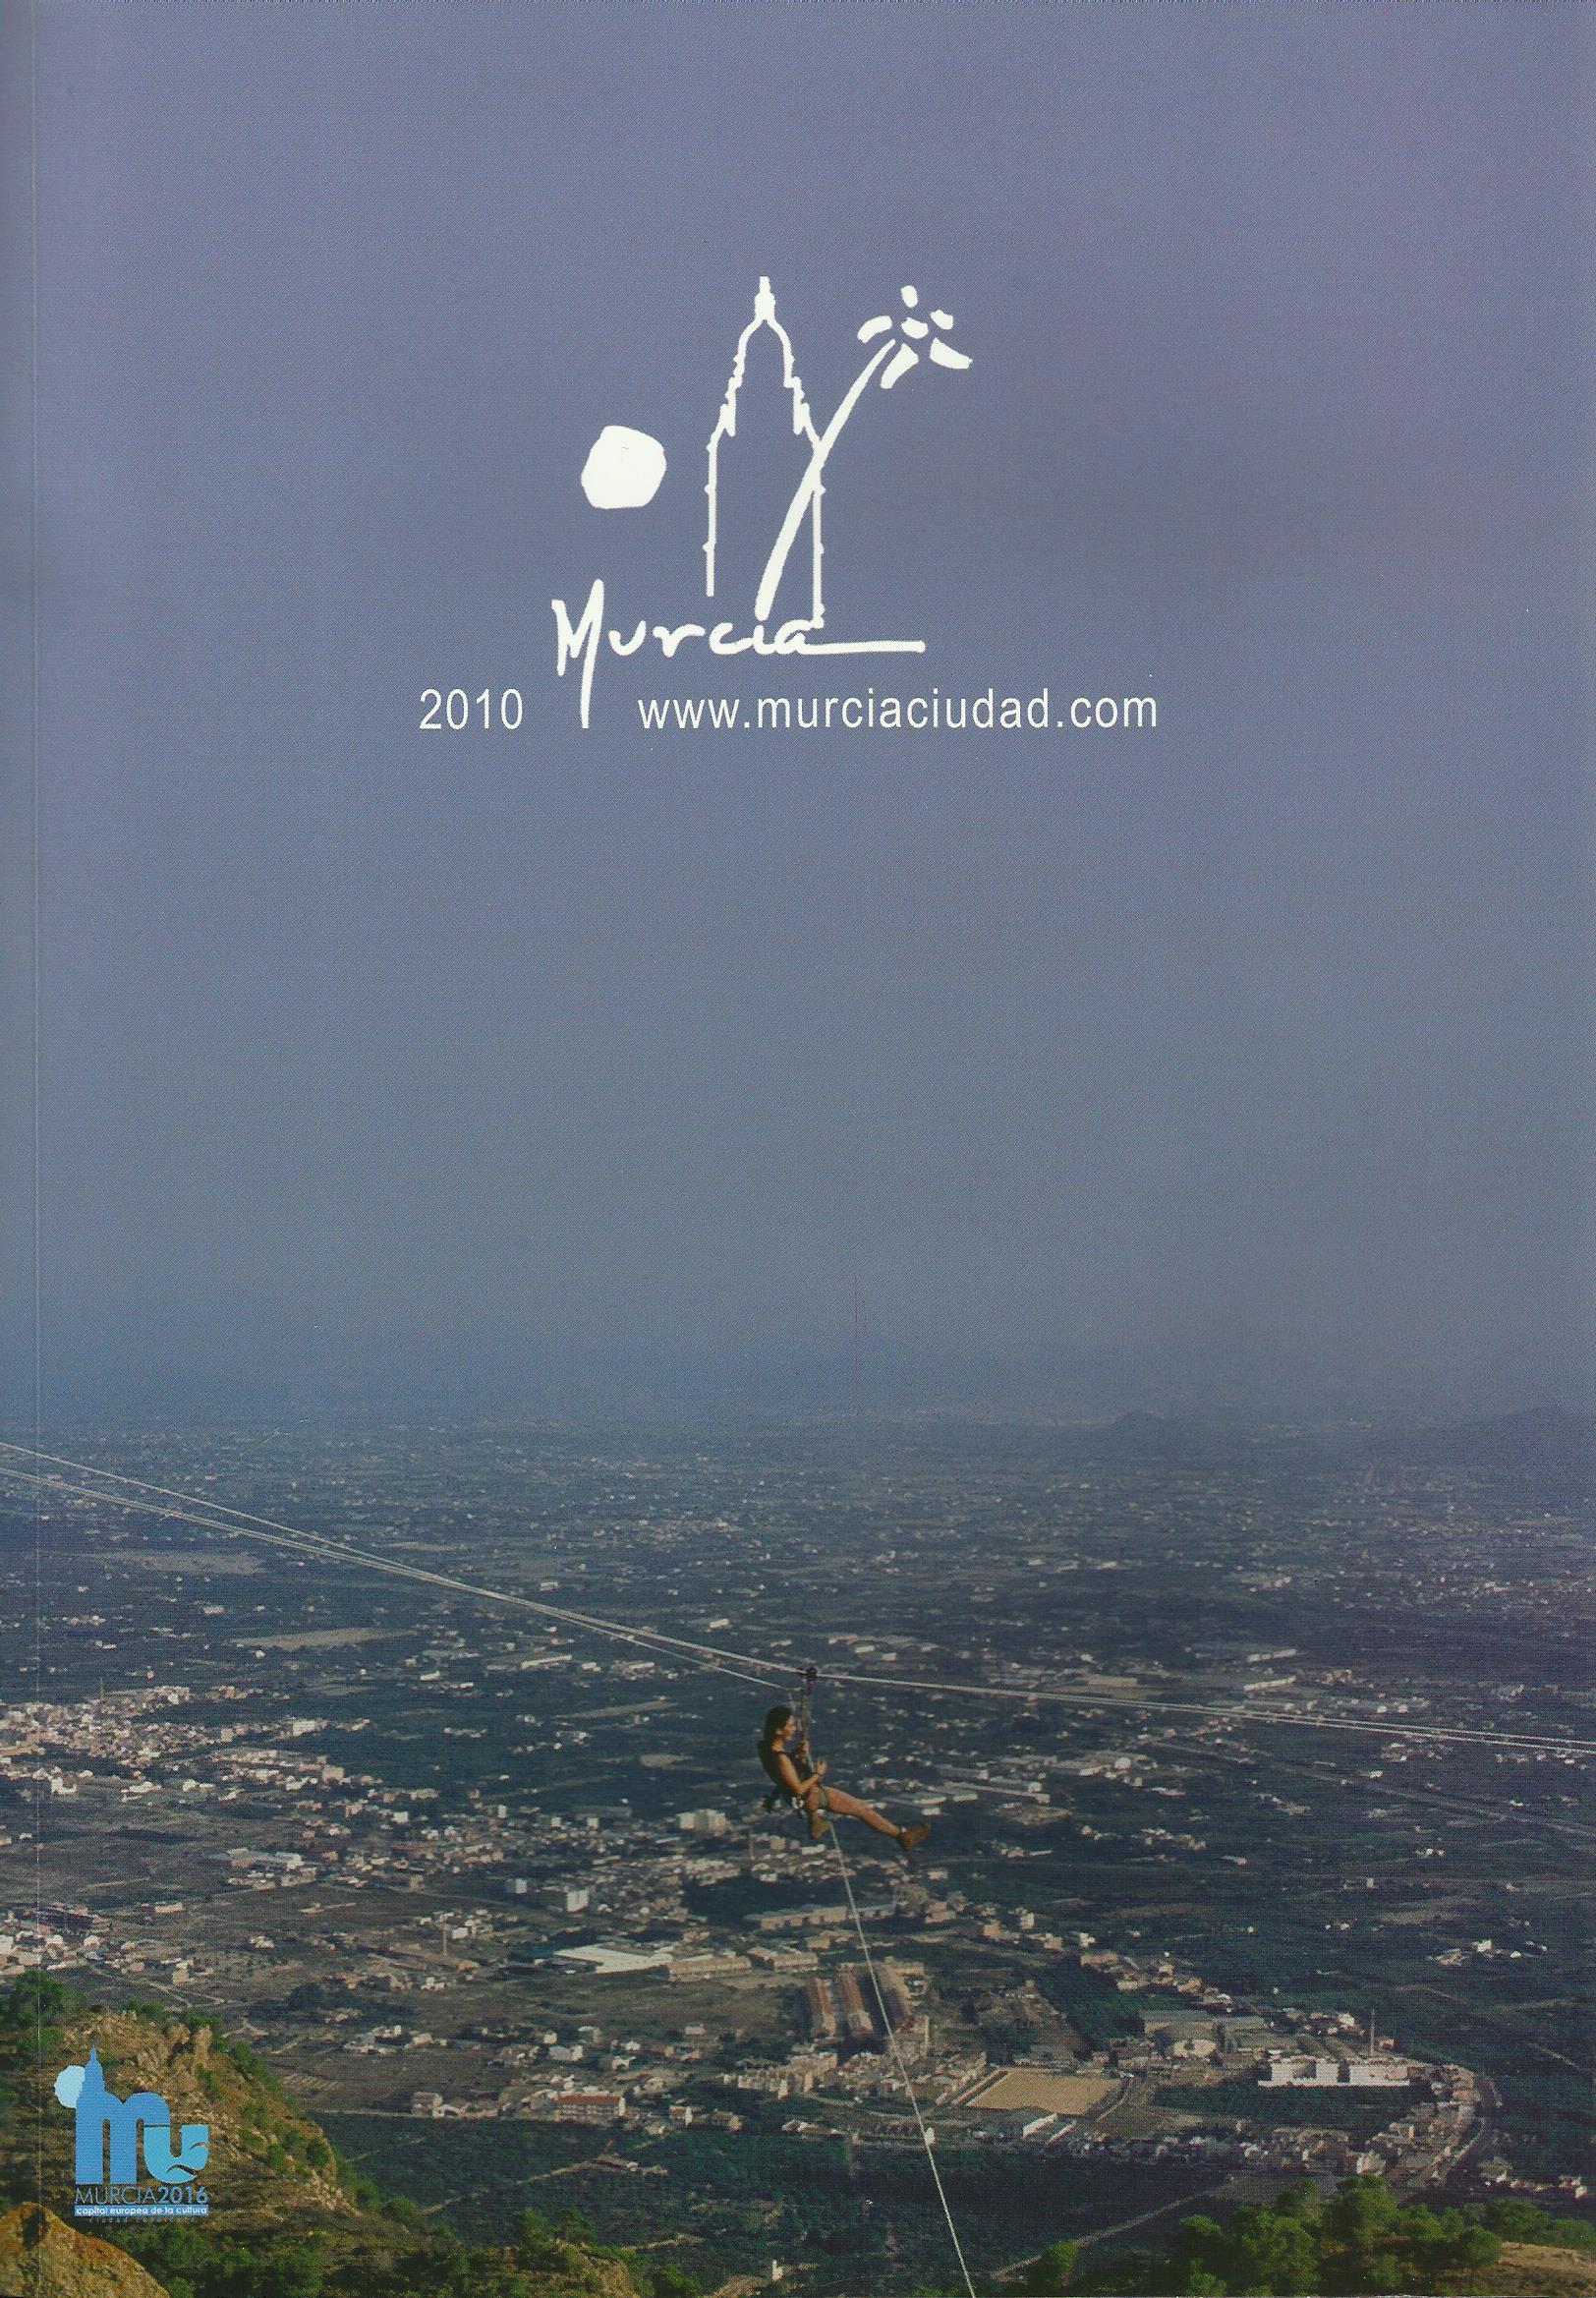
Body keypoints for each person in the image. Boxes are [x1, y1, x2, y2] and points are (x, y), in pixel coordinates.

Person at [758, 1704, 929, 1851]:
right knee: (861, 1809)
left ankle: (815, 1821)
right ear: (779, 1730)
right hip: (811, 1795)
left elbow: (782, 1777)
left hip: (804, 1797)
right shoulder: (780, 1759)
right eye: (790, 1726)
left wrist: (795, 1755)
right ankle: (902, 1835)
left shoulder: (766, 1749)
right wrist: (818, 1773)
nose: (794, 1729)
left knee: (860, 1809)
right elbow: (798, 1789)